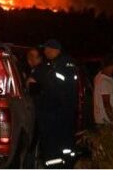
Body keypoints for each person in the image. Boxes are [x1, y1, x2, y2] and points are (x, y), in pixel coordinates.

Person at [35, 39, 78, 168]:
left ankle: (55, 166)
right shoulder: (65, 64)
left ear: (56, 50)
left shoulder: (60, 66)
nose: (45, 52)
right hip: (64, 114)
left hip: (56, 115)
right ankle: (66, 164)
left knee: (54, 148)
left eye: (47, 49)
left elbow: (54, 90)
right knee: (65, 146)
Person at [93, 53, 113, 125]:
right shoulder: (105, 81)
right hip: (106, 121)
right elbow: (106, 103)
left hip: (101, 119)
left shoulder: (99, 76)